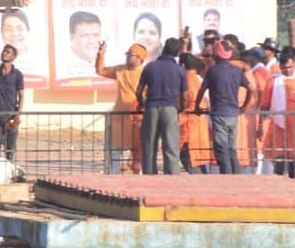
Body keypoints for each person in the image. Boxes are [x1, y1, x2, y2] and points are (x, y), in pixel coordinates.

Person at [194, 40, 254, 174]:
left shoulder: (212, 71)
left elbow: (202, 90)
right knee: (232, 148)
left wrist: (197, 106)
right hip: (233, 114)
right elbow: (251, 88)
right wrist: (244, 106)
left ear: (216, 53)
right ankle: (237, 178)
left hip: (219, 114)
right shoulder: (237, 71)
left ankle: (226, 177)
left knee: (222, 148)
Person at [259, 46, 295, 178]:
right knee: (279, 168)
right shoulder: (272, 81)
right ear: (280, 66)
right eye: (284, 68)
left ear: (294, 64)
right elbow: (264, 106)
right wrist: (260, 126)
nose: (288, 70)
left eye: (290, 67)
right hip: (277, 130)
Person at [136, 38, 188, 175]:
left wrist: (142, 104)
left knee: (149, 145)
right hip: (170, 109)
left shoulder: (150, 66)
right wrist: (181, 108)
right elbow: (184, 96)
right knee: (171, 146)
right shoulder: (179, 70)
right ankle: (172, 178)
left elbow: (139, 91)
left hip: (151, 107)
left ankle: (150, 176)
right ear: (177, 52)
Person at [95, 40, 147, 172]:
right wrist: (101, 54)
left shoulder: (146, 73)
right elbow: (100, 70)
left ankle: (141, 180)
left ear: (140, 58)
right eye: (127, 53)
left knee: (138, 152)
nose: (127, 56)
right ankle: (113, 177)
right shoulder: (120, 69)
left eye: (131, 54)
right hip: (119, 116)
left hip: (137, 118)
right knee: (115, 149)